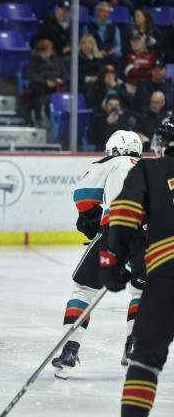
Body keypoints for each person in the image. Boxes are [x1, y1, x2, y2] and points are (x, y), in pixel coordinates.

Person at [52, 131, 146, 379]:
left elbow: (83, 197)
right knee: (140, 291)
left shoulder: (111, 162)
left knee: (83, 288)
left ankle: (69, 351)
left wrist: (91, 219)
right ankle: (134, 347)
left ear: (115, 150)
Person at [99, 118, 174, 416]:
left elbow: (122, 215)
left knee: (145, 357)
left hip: (167, 274)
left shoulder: (149, 169)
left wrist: (110, 263)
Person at [26, 39, 68, 124]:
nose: (45, 54)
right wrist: (45, 82)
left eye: (47, 52)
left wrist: (59, 81)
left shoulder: (57, 60)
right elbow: (31, 74)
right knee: (37, 89)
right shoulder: (34, 60)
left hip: (56, 85)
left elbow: (65, 75)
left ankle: (58, 119)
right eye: (43, 52)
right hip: (40, 86)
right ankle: (39, 117)